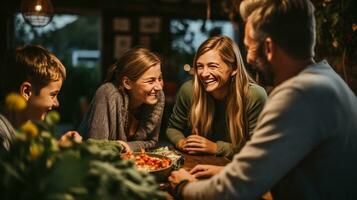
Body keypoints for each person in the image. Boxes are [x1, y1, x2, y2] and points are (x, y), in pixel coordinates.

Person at [168, 0, 357, 199]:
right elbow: (276, 166)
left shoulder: (299, 95)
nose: (248, 58)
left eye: (249, 47)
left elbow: (236, 190)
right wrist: (226, 172)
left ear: (268, 47)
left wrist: (183, 186)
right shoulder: (327, 79)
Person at [166, 36, 267, 158]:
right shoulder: (189, 90)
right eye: (200, 66)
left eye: (212, 66)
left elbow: (259, 149)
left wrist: (215, 148)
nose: (204, 73)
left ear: (234, 68)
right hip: (197, 165)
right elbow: (173, 129)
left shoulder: (254, 95)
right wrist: (182, 142)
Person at [78, 47, 165, 152]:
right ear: (127, 83)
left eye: (159, 79)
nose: (159, 87)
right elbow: (97, 147)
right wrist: (127, 148)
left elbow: (152, 142)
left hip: (134, 163)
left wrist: (128, 147)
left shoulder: (157, 97)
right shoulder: (108, 93)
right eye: (150, 81)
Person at [0, 45, 81, 150]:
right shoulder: (2, 138)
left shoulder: (24, 130)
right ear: (27, 91)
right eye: (53, 95)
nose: (57, 103)